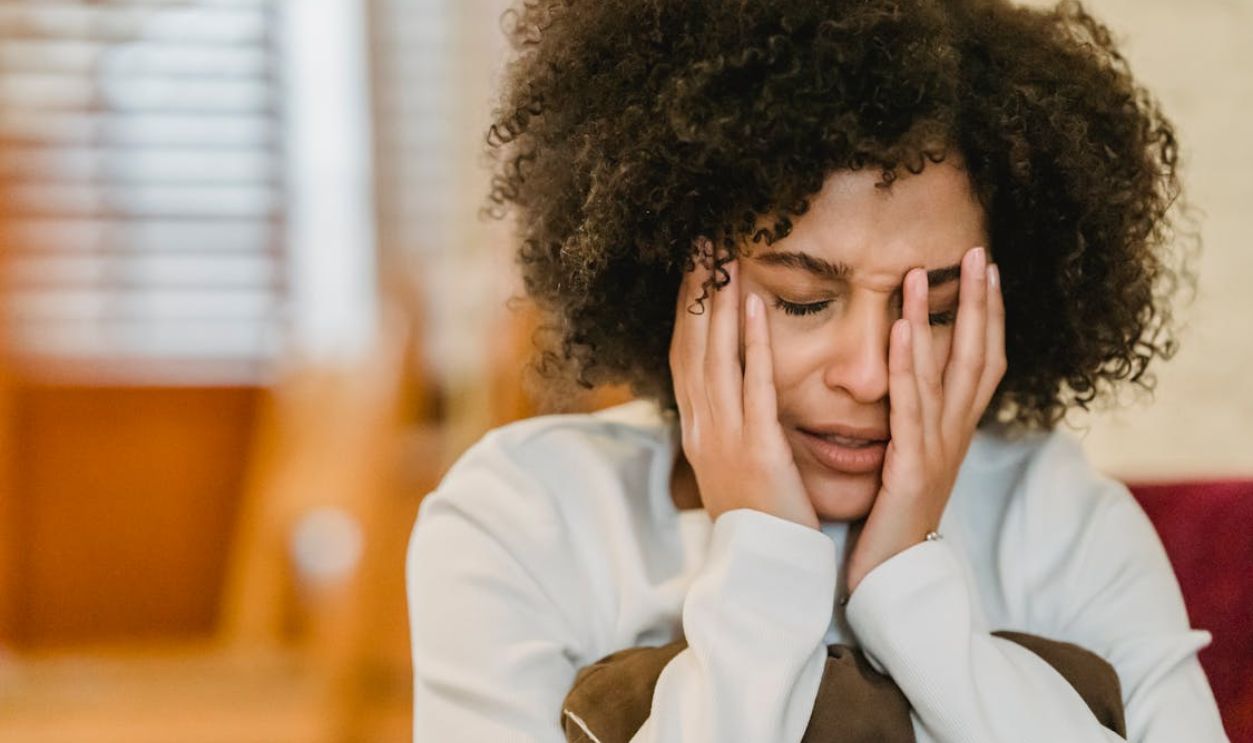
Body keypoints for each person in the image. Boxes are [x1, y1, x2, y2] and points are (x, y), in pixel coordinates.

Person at [406, 0, 1229, 740]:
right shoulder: (522, 520)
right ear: (670, 276)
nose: (869, 375)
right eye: (802, 299)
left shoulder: (1058, 516)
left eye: (935, 310)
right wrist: (764, 558)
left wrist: (909, 577)